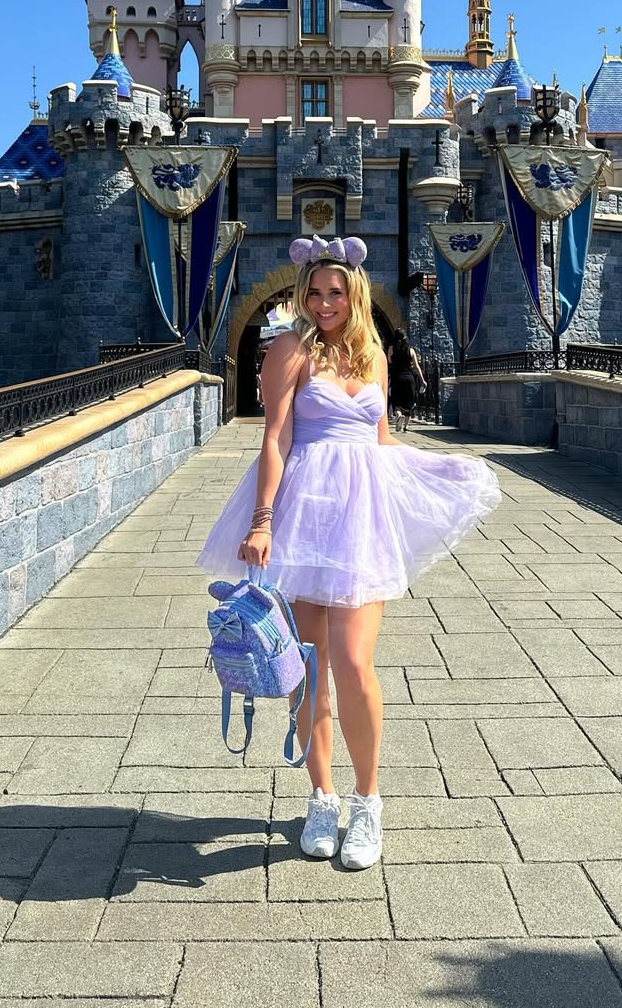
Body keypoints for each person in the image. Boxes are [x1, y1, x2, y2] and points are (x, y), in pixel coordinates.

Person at [196, 234, 501, 870]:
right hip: (304, 513)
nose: (325, 302)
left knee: (356, 663)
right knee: (307, 666)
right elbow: (275, 437)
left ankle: (368, 802)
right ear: (303, 295)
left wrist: (437, 473)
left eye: (336, 292)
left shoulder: (374, 357)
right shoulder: (288, 349)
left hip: (359, 519)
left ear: (354, 293)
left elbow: (381, 441)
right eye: (315, 291)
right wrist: (261, 520)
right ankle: (322, 797)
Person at [387, 327, 427, 432]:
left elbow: (389, 361)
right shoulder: (411, 350)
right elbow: (416, 366)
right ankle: (406, 426)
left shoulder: (391, 348)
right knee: (409, 401)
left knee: (396, 401)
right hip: (409, 378)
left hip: (397, 377)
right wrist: (422, 380)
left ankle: (399, 415)